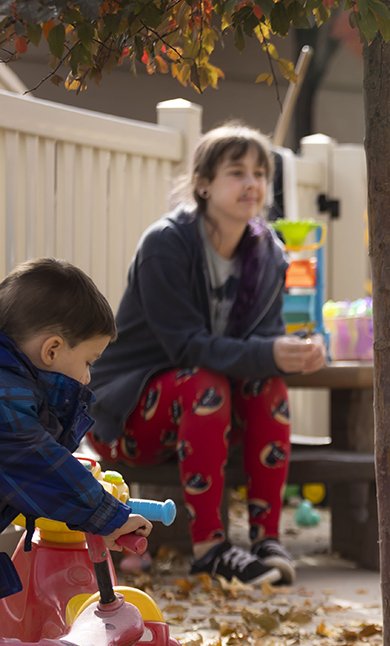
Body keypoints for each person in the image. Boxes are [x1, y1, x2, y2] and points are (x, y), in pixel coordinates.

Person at [87, 123, 326, 587]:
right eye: (237, 172)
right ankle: (209, 548)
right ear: (203, 184)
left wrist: (303, 349)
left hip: (212, 422)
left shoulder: (270, 255)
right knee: (205, 383)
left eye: (260, 173)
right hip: (130, 420)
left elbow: (268, 341)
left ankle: (266, 539)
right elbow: (186, 347)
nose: (253, 184)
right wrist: (270, 350)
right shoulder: (166, 245)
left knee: (267, 383)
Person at [0, 258, 155, 646]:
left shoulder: (16, 389)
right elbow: (31, 457)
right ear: (51, 351)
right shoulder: (5, 404)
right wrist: (106, 515)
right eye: (88, 361)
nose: (90, 377)